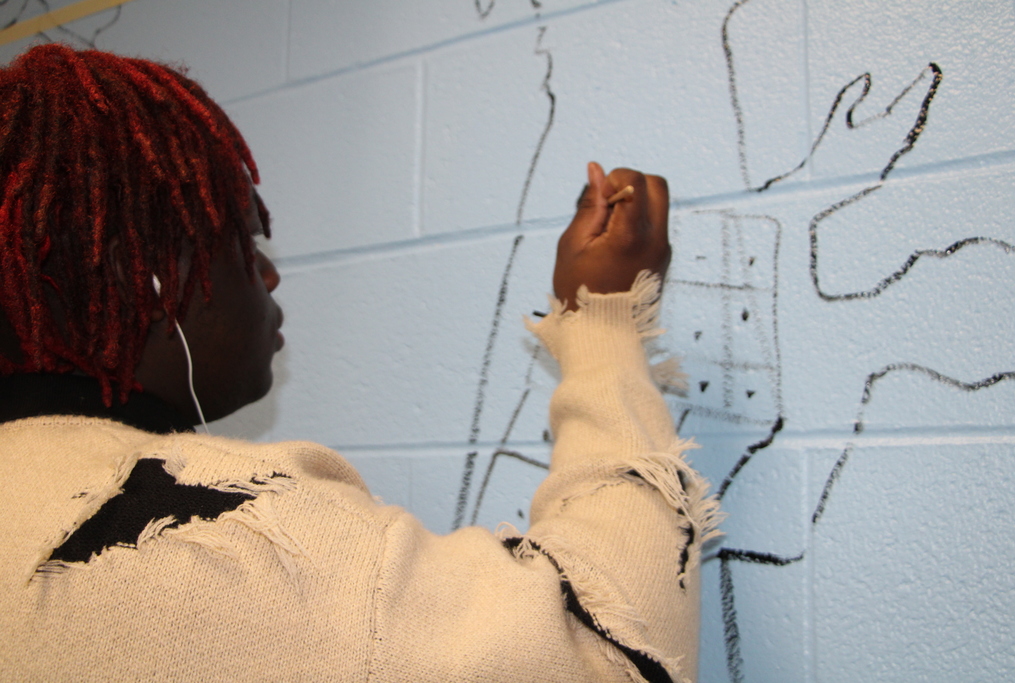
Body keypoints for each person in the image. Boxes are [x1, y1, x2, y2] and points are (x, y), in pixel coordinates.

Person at [0, 45, 719, 682]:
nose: (269, 277)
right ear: (154, 271)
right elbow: (615, 655)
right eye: (247, 241)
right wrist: (602, 321)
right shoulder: (235, 540)